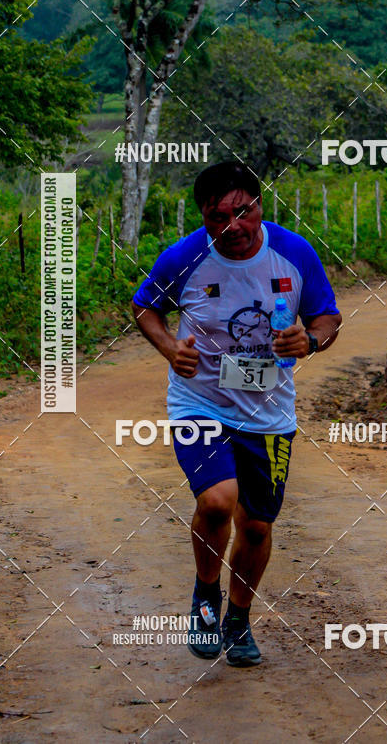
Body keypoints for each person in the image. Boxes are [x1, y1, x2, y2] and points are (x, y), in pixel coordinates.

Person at [132, 161, 341, 667]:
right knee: (217, 501)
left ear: (260, 205)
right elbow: (145, 307)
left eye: (243, 211)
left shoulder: (294, 252)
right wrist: (169, 348)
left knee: (256, 527)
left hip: (269, 413)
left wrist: (310, 340)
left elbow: (328, 317)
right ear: (203, 217)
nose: (233, 226)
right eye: (218, 217)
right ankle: (206, 597)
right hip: (199, 403)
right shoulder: (183, 257)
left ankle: (239, 619)